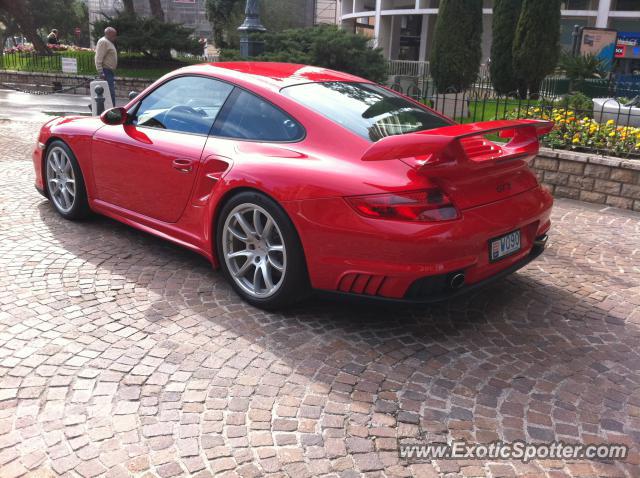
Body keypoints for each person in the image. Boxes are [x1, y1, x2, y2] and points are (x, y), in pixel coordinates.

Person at [95, 27, 118, 106]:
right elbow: (98, 57)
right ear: (108, 34)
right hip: (106, 71)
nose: (115, 37)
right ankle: (111, 110)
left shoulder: (108, 42)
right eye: (114, 35)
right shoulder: (103, 42)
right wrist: (100, 71)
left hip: (109, 71)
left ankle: (110, 108)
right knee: (109, 93)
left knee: (109, 93)